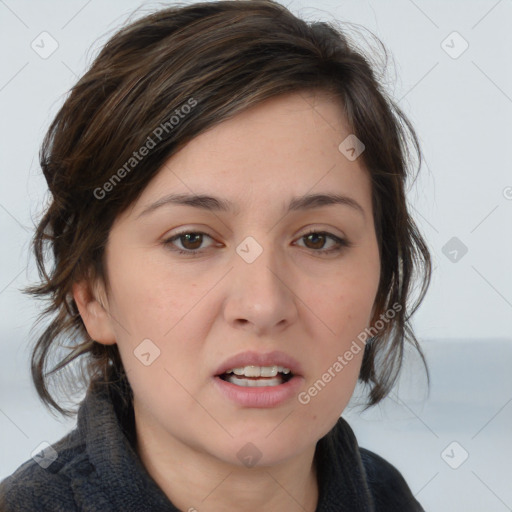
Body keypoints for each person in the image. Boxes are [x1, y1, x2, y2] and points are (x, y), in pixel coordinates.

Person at [0, 1, 432, 510]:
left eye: (318, 239)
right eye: (191, 239)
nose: (264, 303)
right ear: (93, 292)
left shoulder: (388, 495)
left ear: (382, 289)